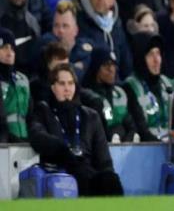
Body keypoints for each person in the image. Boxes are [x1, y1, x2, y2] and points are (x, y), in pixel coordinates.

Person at [29, 63, 124, 196]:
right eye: (62, 84)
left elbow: (104, 161)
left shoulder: (90, 116)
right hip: (59, 171)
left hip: (88, 174)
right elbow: (37, 136)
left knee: (110, 179)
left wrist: (107, 175)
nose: (67, 88)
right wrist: (62, 149)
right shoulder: (43, 110)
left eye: (70, 83)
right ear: (53, 87)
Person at [123, 32, 174, 142]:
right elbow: (140, 128)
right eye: (150, 54)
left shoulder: (167, 84)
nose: (156, 60)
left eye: (158, 53)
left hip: (172, 145)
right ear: (141, 58)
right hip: (146, 147)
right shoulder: (130, 86)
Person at [82, 46, 137, 143]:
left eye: (113, 65)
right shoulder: (89, 97)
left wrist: (126, 141)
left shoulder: (120, 93)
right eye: (106, 65)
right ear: (96, 68)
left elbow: (131, 125)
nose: (111, 69)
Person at [0, 27, 31, 143]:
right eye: (4, 47)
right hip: (3, 144)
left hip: (25, 142)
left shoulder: (23, 80)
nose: (9, 53)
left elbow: (30, 115)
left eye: (12, 48)